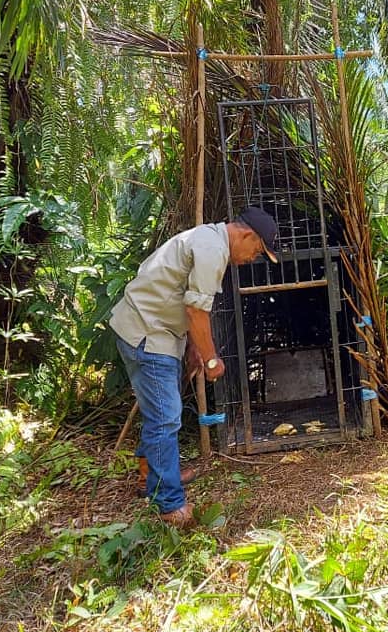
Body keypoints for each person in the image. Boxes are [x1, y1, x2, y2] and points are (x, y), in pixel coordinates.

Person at [110, 207, 280, 527]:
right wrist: (212, 359)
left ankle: (151, 475)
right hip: (148, 333)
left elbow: (183, 299)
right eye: (257, 251)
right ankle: (169, 504)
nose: (252, 259)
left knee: (160, 410)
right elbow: (196, 312)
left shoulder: (207, 239)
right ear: (246, 235)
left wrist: (193, 347)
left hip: (153, 330)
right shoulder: (212, 250)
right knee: (165, 417)